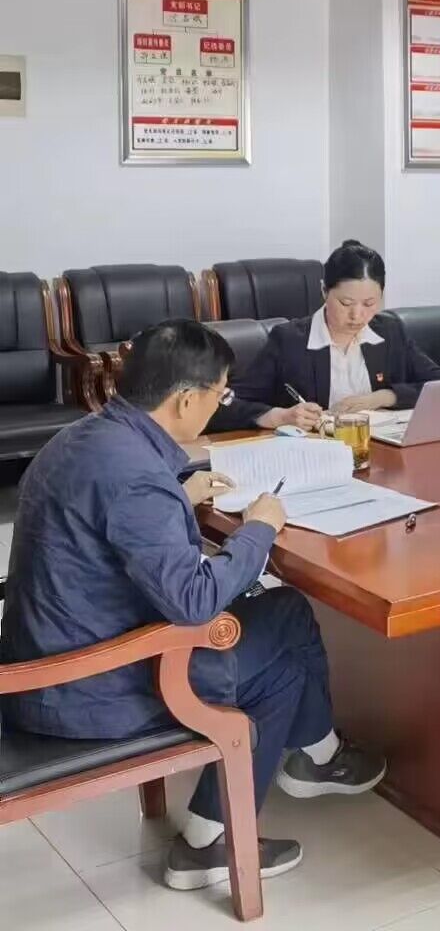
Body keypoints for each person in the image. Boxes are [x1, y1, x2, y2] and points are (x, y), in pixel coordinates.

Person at [0, 321, 386, 891]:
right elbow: (194, 603)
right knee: (283, 631)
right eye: (220, 395)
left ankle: (249, 807)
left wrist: (177, 498)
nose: (219, 406)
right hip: (86, 689)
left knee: (280, 635)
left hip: (43, 657)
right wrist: (257, 528)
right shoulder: (137, 478)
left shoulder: (85, 437)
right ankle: (294, 772)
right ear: (185, 399)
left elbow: (105, 526)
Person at [213, 240, 440, 432]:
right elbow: (223, 403)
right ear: (324, 291)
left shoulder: (390, 332)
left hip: (380, 452)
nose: (357, 315)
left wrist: (384, 397)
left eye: (369, 303)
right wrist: (279, 416)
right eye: (346, 303)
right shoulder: (289, 341)